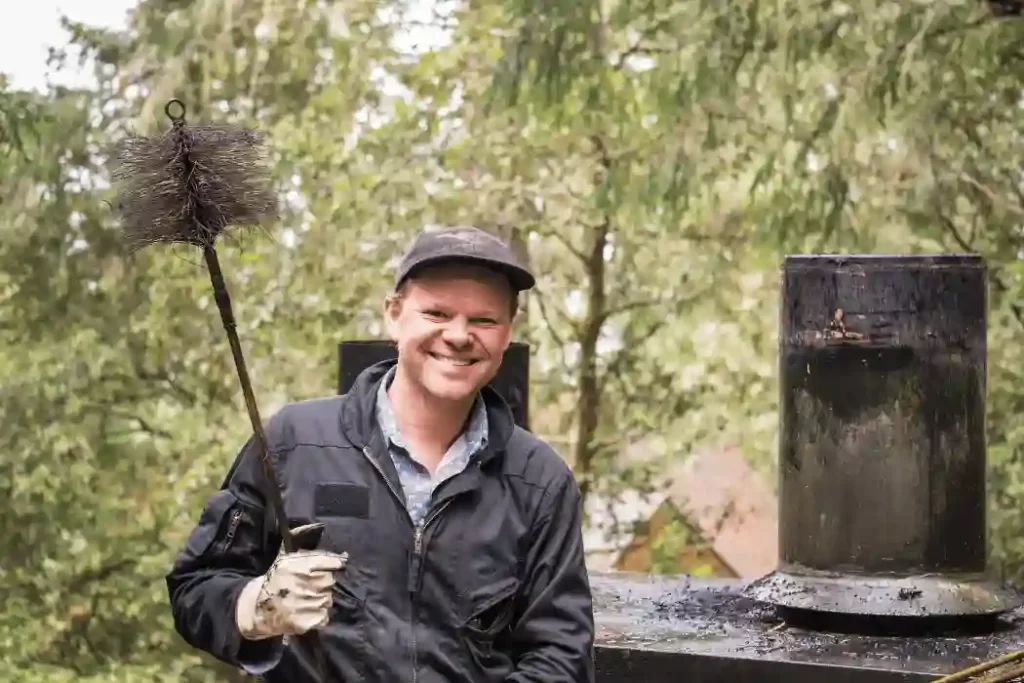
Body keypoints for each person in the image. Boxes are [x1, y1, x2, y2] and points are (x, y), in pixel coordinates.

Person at [165, 226, 596, 682]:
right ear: (394, 314)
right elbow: (195, 587)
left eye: (484, 320)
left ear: (508, 331)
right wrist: (254, 608)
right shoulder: (294, 443)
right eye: (436, 312)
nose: (459, 335)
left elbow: (561, 656)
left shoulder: (539, 482)